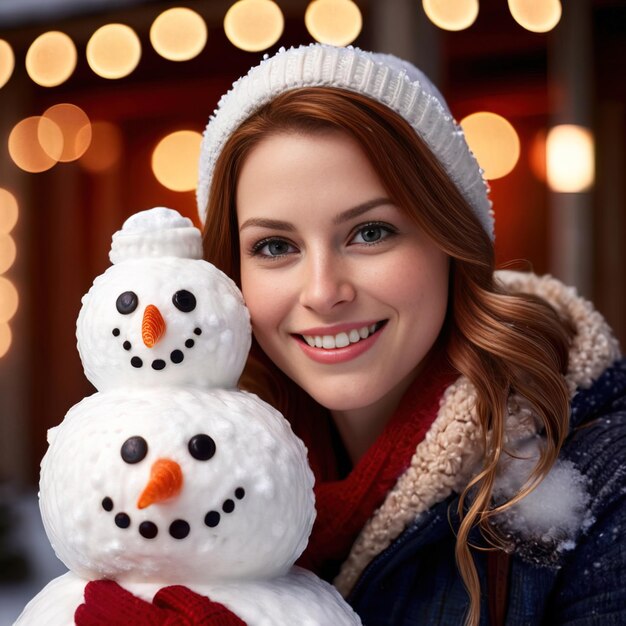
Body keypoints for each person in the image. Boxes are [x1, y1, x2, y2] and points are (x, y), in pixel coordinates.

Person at [197, 44, 626, 625]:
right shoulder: (203, 481)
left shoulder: (603, 488)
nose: (323, 292)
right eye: (275, 247)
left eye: (370, 232)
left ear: (452, 241)